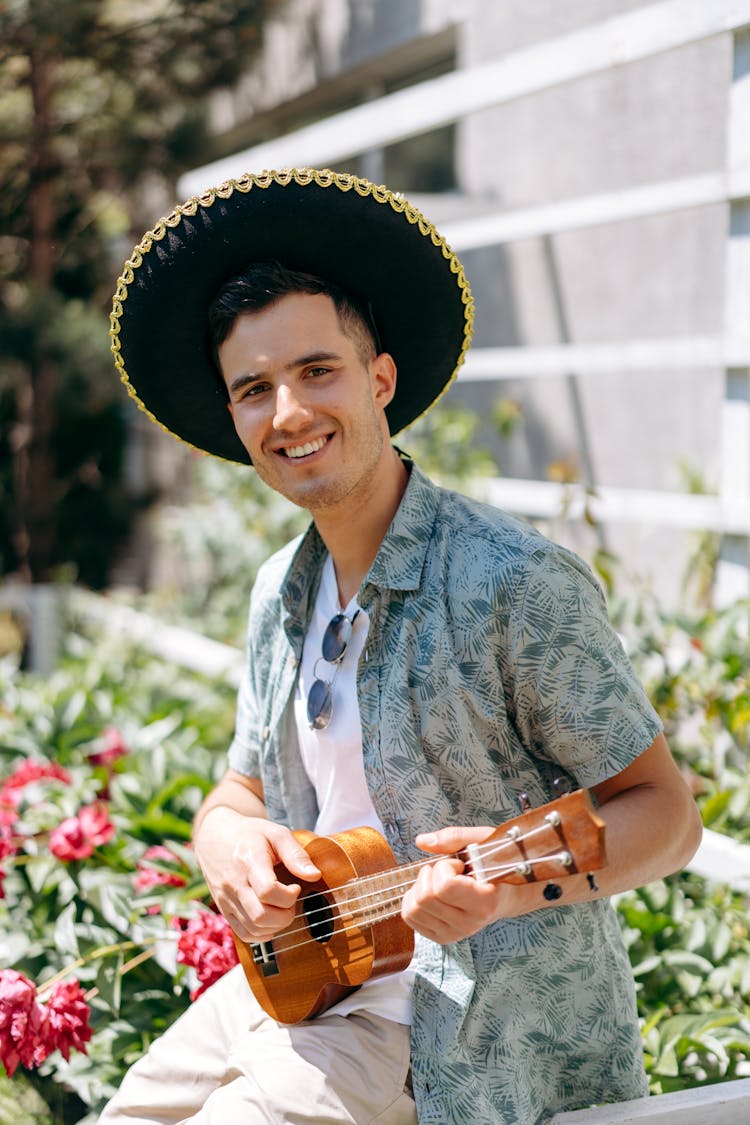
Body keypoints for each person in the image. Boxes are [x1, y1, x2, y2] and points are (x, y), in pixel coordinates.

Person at [101, 168, 702, 1125]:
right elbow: (243, 785)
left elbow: (666, 815)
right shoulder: (278, 592)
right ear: (235, 420)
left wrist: (503, 897)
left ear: (381, 379)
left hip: (455, 1029)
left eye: (316, 371)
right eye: (254, 389)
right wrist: (222, 839)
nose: (287, 411)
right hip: (299, 987)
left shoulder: (513, 582)